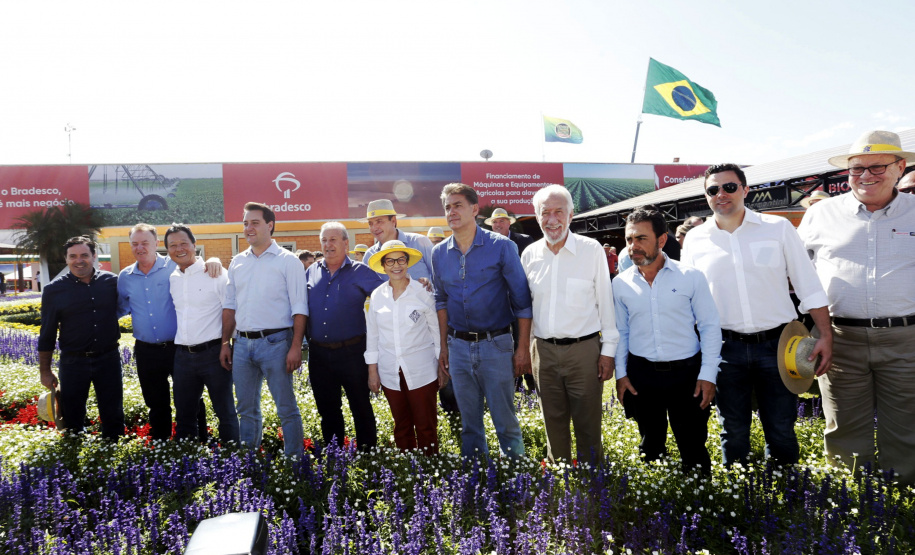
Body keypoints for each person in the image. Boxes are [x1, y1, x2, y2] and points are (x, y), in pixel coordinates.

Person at [682, 163, 833, 467]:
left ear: (745, 189)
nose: (721, 194)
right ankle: (739, 505)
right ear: (706, 196)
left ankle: (787, 500)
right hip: (724, 349)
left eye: (729, 187)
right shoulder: (696, 240)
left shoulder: (777, 228)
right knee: (733, 431)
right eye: (713, 190)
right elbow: (689, 300)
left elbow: (808, 284)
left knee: (781, 429)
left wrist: (826, 335)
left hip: (778, 346)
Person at [798, 130, 915, 484]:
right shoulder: (821, 215)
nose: (865, 176)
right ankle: (853, 506)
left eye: (876, 167)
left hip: (907, 339)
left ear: (900, 167)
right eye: (855, 169)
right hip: (839, 338)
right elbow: (795, 274)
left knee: (907, 425)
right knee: (843, 425)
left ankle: (900, 503)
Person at [614, 206, 721, 474]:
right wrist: (621, 375)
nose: (633, 246)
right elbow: (621, 332)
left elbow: (709, 326)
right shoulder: (620, 284)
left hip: (687, 375)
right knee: (650, 447)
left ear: (661, 240)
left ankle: (699, 505)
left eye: (641, 238)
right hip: (642, 376)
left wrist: (708, 375)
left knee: (694, 448)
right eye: (629, 239)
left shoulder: (691, 277)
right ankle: (654, 510)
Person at [431, 183, 533, 459]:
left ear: (475, 209)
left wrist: (522, 348)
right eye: (447, 207)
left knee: (505, 421)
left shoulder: (502, 247)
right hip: (458, 347)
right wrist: (444, 346)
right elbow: (440, 301)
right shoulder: (439, 252)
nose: (452, 211)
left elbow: (522, 302)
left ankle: (516, 477)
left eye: (458, 205)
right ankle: (476, 484)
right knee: (469, 425)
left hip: (496, 344)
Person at [521, 185, 617, 464]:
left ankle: (592, 481)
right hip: (543, 351)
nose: (552, 220)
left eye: (559, 212)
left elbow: (604, 302)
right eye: (545, 212)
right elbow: (525, 305)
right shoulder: (529, 255)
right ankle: (559, 478)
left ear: (571, 214)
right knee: (552, 421)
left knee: (588, 424)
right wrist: (525, 350)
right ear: (537, 217)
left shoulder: (591, 250)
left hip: (584, 351)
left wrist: (608, 351)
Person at [220, 202, 307, 458]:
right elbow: (230, 305)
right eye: (245, 223)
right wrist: (225, 342)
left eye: (254, 223)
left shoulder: (288, 261)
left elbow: (299, 307)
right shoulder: (237, 262)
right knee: (246, 408)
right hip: (242, 346)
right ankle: (249, 460)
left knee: (286, 408)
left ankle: (295, 462)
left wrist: (296, 346)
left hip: (277, 344)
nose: (248, 228)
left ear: (270, 225)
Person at [118, 223, 220, 442]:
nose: (140, 248)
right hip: (146, 350)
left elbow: (196, 266)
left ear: (156, 244)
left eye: (145, 242)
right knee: (156, 402)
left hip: (178, 348)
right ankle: (162, 443)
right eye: (135, 244)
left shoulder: (174, 268)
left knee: (191, 399)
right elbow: (117, 309)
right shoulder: (125, 277)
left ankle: (199, 442)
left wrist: (214, 260)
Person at [306, 221, 384, 451]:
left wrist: (419, 283)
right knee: (327, 410)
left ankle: (368, 458)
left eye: (333, 240)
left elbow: (391, 290)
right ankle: (334, 459)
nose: (328, 245)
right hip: (319, 354)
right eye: (324, 240)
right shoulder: (311, 271)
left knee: (361, 408)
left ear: (345, 243)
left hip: (352, 352)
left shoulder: (361, 272)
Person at [38, 236, 124, 439]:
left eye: (84, 255)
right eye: (73, 256)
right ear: (66, 259)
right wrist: (45, 371)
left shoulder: (112, 282)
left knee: (113, 414)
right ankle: (74, 461)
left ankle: (114, 458)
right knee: (72, 417)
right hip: (73, 361)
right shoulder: (53, 290)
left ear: (94, 256)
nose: (79, 260)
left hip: (108, 359)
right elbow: (47, 333)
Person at [364, 240, 444, 454]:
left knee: (426, 425)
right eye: (390, 261)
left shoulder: (423, 291)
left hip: (422, 370)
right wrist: (373, 371)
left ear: (407, 263)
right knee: (401, 425)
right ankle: (407, 470)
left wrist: (442, 367)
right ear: (383, 266)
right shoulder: (377, 296)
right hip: (390, 372)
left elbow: (436, 332)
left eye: (400, 259)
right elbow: (372, 335)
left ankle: (430, 470)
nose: (396, 265)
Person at [166, 224, 239, 444]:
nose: (179, 249)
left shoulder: (215, 273)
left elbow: (230, 309)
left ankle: (233, 458)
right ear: (167, 250)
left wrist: (226, 344)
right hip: (183, 357)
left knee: (225, 410)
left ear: (194, 245)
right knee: (184, 414)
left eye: (183, 244)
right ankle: (188, 465)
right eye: (173, 245)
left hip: (214, 353)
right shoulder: (173, 278)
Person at [362, 199, 434, 281]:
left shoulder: (420, 242)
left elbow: (441, 276)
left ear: (393, 221)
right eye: (370, 223)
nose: (374, 228)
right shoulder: (369, 256)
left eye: (379, 221)